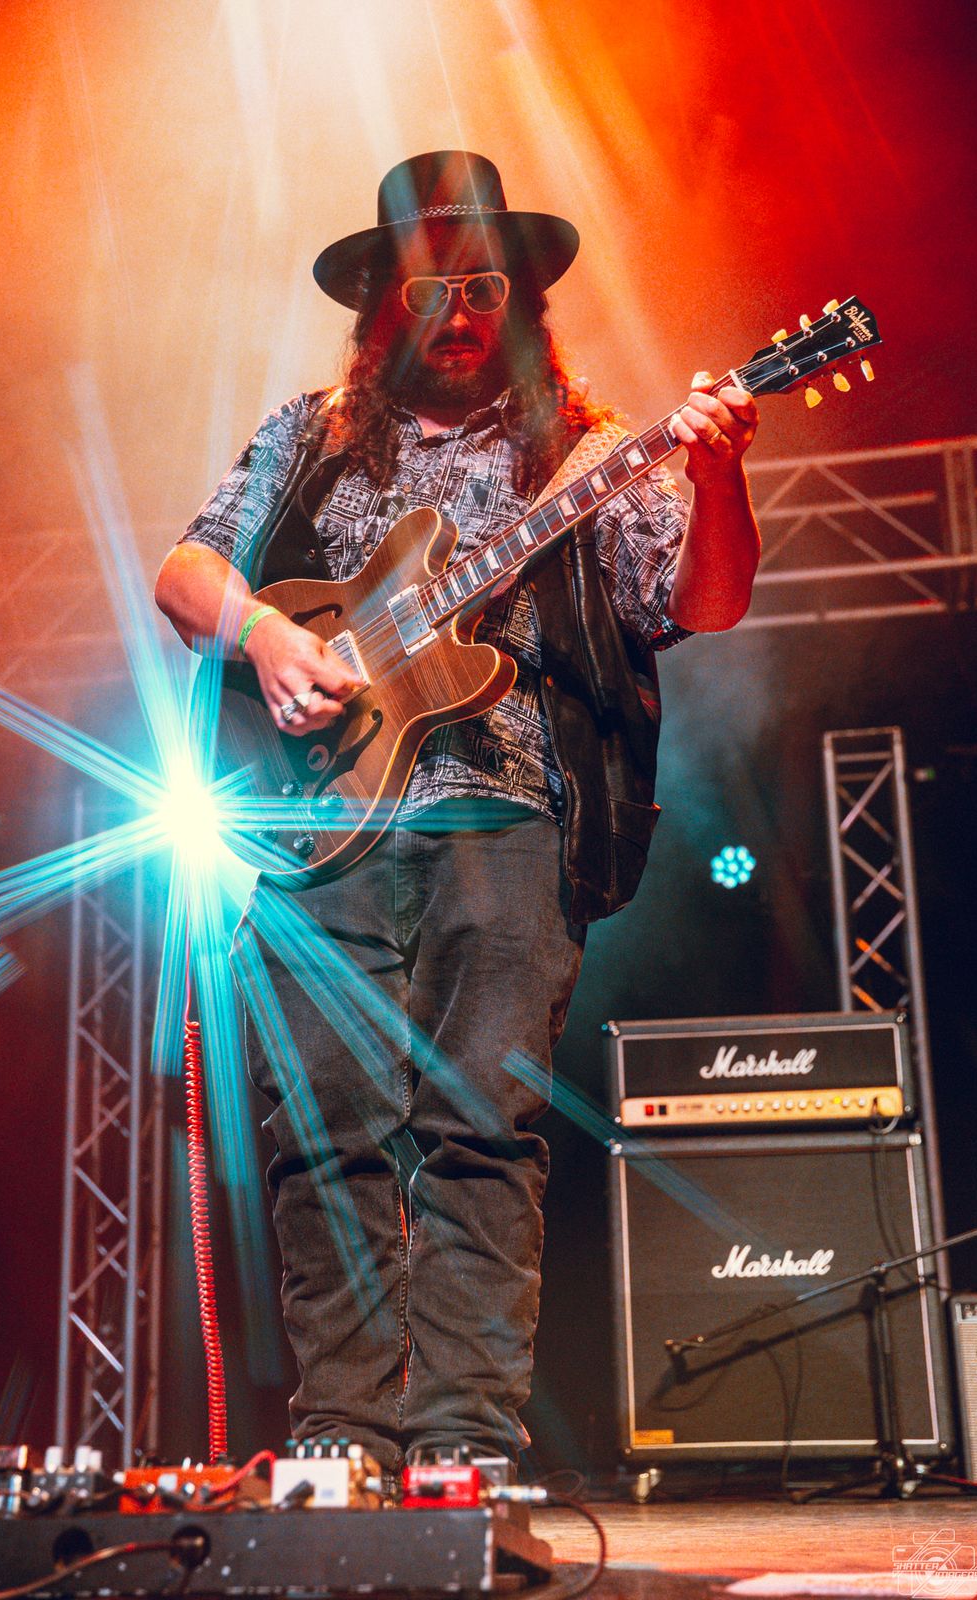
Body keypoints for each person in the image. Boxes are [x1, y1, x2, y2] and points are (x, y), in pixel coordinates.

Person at [154, 150, 760, 1480]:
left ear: (525, 305)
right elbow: (186, 572)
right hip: (315, 838)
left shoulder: (591, 455)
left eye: (484, 286)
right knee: (323, 1135)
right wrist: (268, 636)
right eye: (431, 287)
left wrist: (718, 473)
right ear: (384, 307)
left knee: (482, 1131)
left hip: (505, 821)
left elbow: (703, 605)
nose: (459, 310)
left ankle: (459, 1451)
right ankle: (341, 1439)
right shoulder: (306, 440)